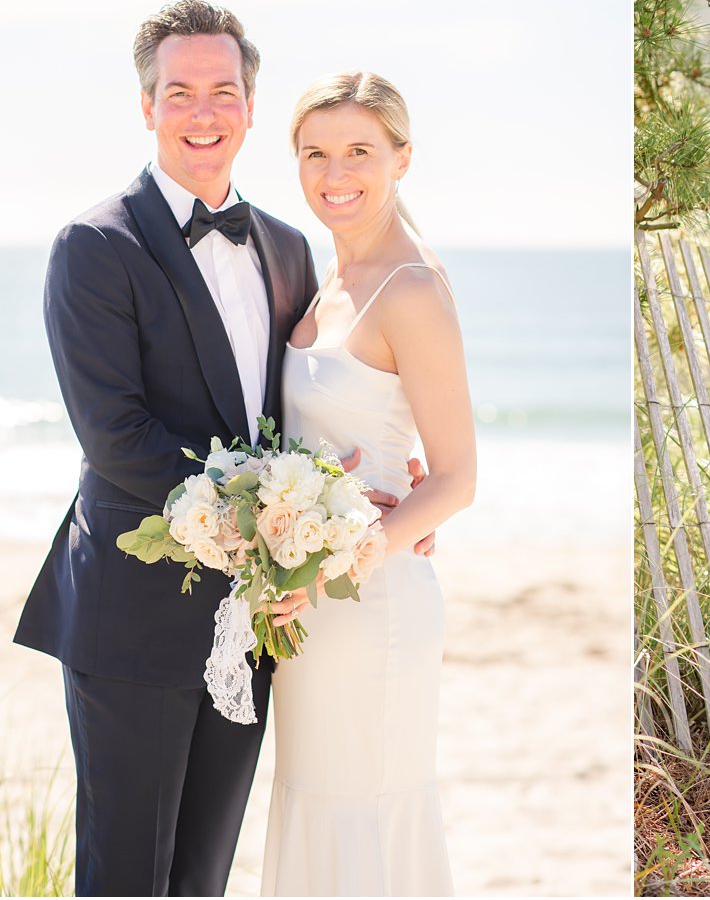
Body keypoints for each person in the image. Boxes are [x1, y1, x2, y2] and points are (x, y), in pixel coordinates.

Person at [14, 0, 426, 896]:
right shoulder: (94, 245)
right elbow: (116, 435)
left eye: (224, 91)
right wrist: (276, 522)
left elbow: (305, 408)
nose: (204, 112)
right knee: (126, 875)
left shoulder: (285, 247)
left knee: (202, 875)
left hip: (252, 622)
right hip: (131, 616)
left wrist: (385, 490)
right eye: (180, 92)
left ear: (248, 105)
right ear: (147, 106)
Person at [258, 72, 475, 896]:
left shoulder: (410, 288)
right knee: (315, 806)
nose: (334, 171)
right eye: (315, 152)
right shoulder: (327, 281)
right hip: (308, 609)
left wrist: (338, 559)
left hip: (369, 600)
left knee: (368, 820)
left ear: (402, 159)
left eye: (358, 150)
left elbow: (456, 476)